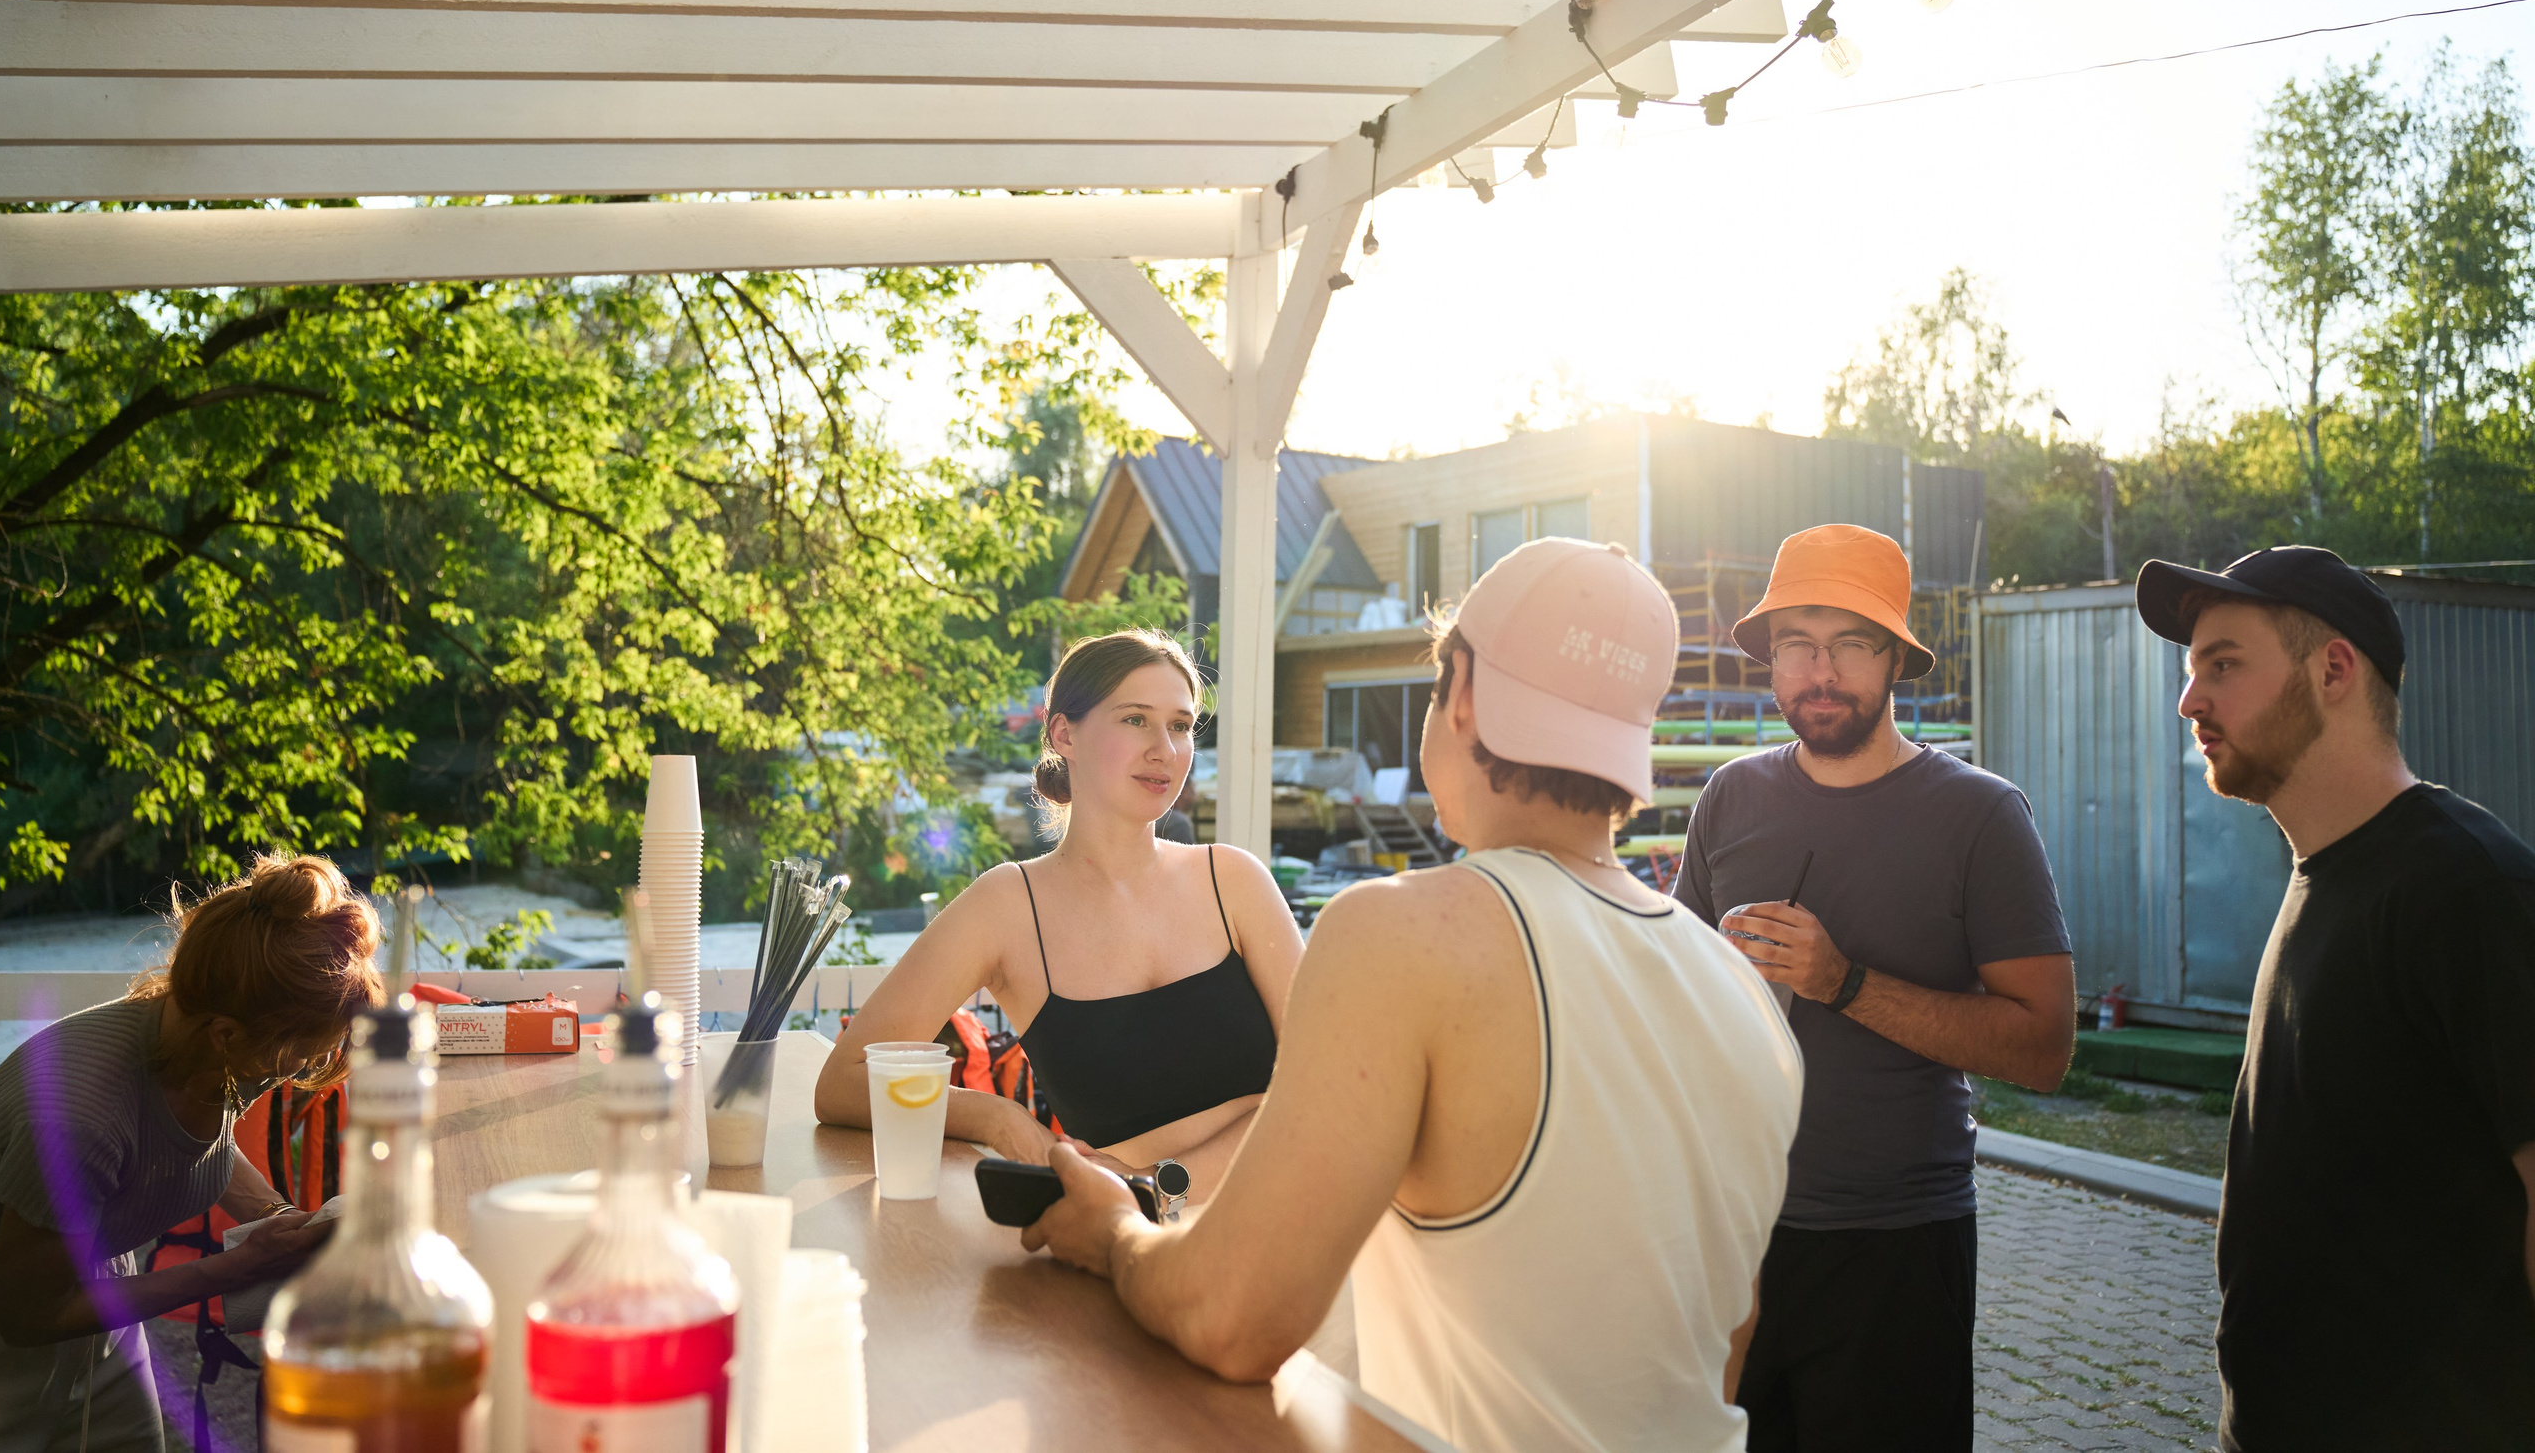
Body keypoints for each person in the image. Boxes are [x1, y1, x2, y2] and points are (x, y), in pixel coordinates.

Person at [1025, 539, 1803, 1453]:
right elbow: (1722, 1346)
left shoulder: (1401, 931)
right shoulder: (1747, 1002)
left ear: (1462, 693)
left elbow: (1232, 1316)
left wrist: (1114, 1232)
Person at [1681, 523, 2075, 1453]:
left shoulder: (1980, 814)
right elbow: (1678, 1002)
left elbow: (2046, 1049)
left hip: (1895, 1244)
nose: (1819, 671)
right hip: (1731, 1235)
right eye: (1794, 645)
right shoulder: (1730, 798)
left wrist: (1843, 981)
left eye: (1849, 643)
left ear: (1895, 655)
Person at [2134, 546, 2535, 1451]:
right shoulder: (2323, 874)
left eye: (2223, 664)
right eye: (2191, 672)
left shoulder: (2467, 888)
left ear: (2335, 669)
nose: (2191, 701)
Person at [815, 629, 1302, 1188]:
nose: (1164, 750)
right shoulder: (1006, 908)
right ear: (1064, 733)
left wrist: (1158, 1179)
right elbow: (845, 1084)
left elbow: (1321, 1081)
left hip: (1291, 1219)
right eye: (1135, 719)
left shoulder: (1235, 881)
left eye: (1180, 726)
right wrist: (999, 1116)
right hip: (1128, 1243)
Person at [0, 853, 378, 1453]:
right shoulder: (79, 1117)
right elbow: (28, 1313)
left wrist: (272, 1218)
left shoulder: (197, 1040)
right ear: (227, 1035)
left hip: (97, 1273)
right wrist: (234, 1268)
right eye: (306, 1053)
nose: (308, 1069)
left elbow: (187, 1135)